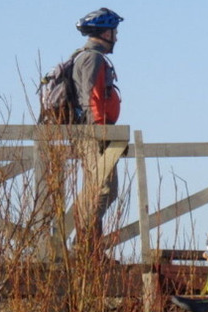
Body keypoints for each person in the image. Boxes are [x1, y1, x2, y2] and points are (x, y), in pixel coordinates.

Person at [73, 8, 123, 240]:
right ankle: (84, 244)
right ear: (105, 33)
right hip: (94, 132)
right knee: (105, 188)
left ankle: (91, 248)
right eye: (114, 32)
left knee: (98, 189)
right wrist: (101, 132)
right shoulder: (92, 58)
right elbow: (91, 96)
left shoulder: (87, 56)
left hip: (91, 131)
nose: (116, 37)